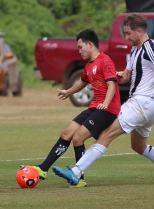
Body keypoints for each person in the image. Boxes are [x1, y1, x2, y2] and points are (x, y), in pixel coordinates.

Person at [52, 13, 154, 185]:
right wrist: (118, 76)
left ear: (139, 31)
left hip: (141, 104)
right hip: (146, 107)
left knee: (105, 135)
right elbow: (126, 76)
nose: (126, 37)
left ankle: (76, 171)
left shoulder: (150, 49)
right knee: (138, 146)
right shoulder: (134, 49)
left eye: (129, 33)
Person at [29, 29, 121, 188]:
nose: (79, 50)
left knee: (78, 138)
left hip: (108, 109)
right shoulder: (88, 65)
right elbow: (82, 82)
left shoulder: (105, 61)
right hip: (95, 107)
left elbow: (112, 85)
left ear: (90, 44)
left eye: (80, 47)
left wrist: (106, 102)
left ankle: (79, 178)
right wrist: (68, 91)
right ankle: (43, 169)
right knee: (67, 133)